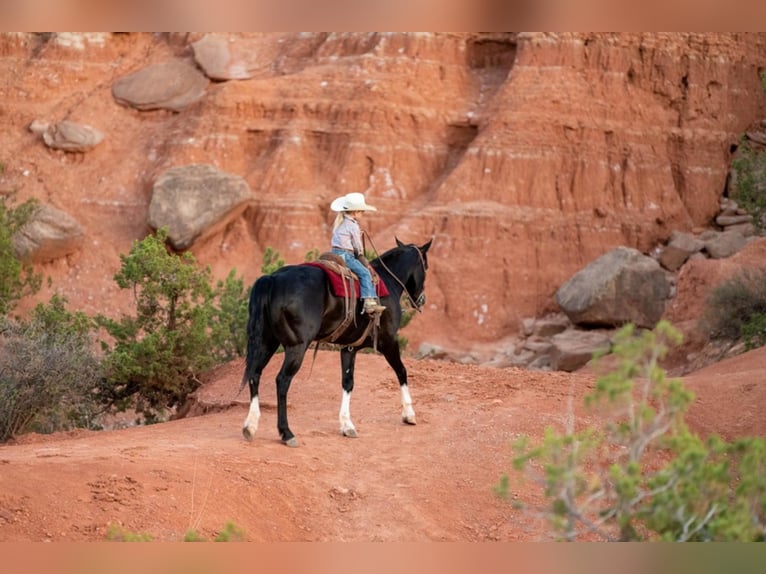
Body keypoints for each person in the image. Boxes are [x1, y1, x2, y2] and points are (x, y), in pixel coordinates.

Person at [330, 192, 386, 315]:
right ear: (355, 212)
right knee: (365, 273)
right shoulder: (353, 225)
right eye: (362, 211)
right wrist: (360, 255)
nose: (362, 214)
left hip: (333, 253)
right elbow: (357, 246)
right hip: (345, 255)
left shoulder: (341, 222)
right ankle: (368, 302)